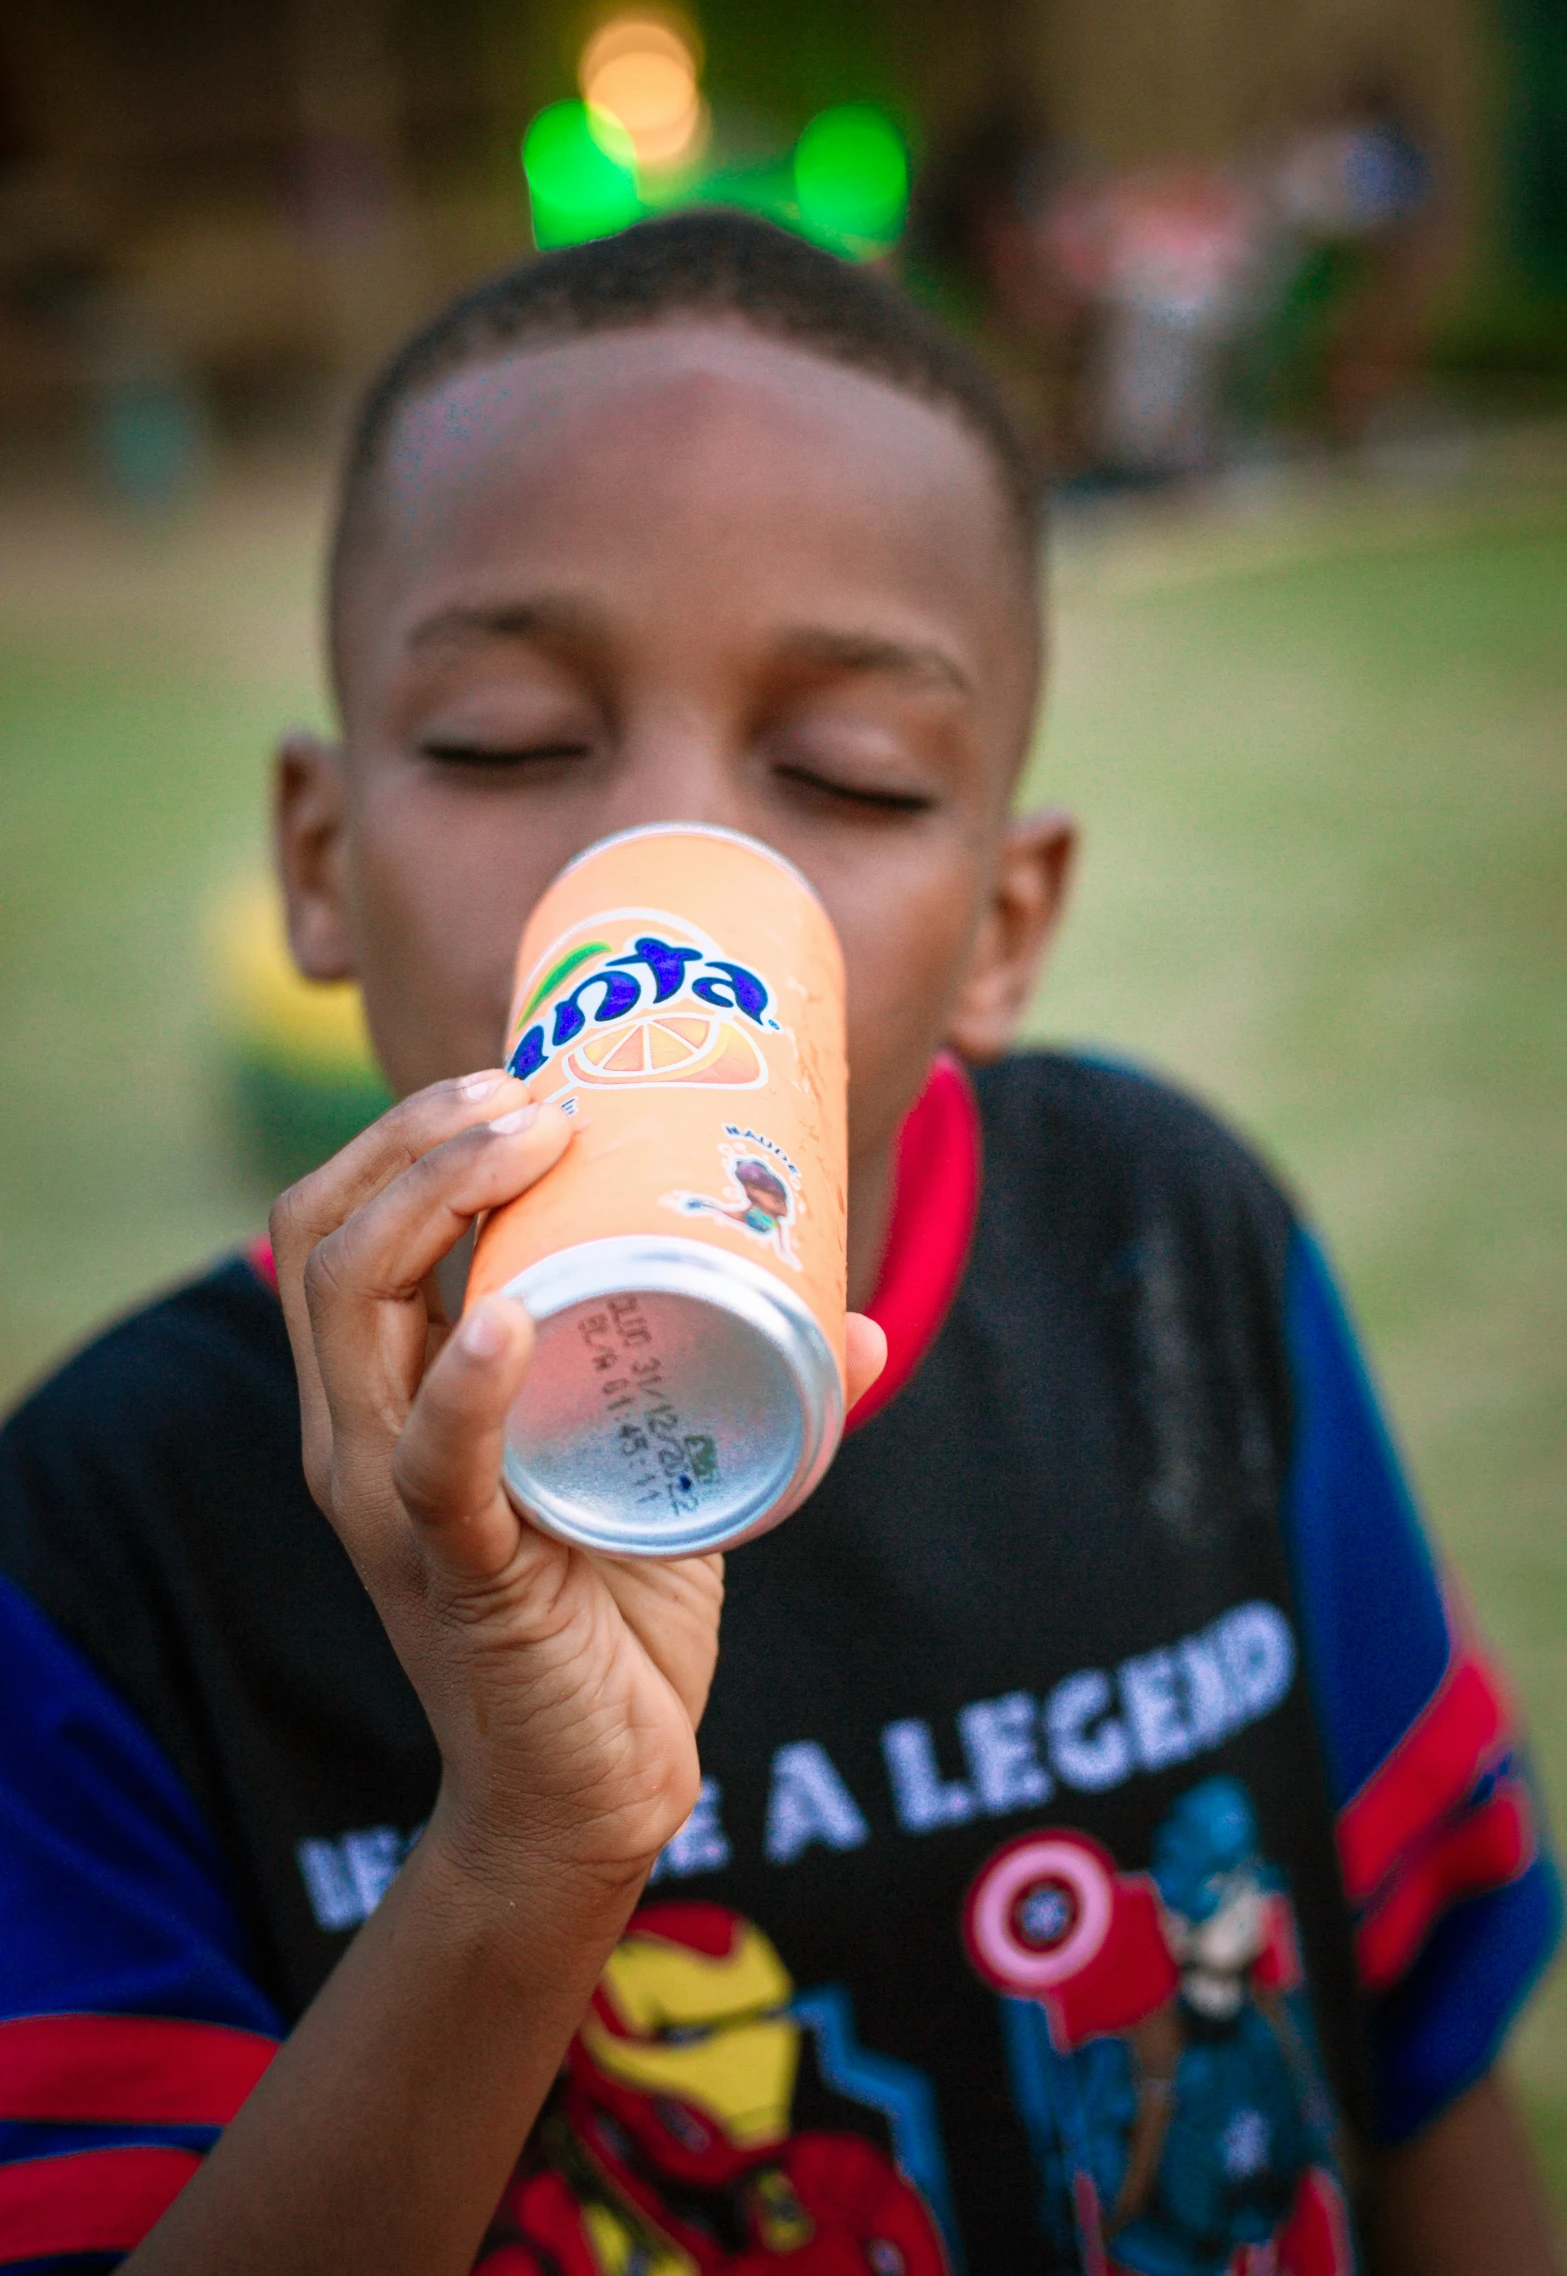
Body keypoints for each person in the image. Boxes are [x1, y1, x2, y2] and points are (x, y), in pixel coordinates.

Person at [0, 212, 1557, 2276]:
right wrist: (524, 1857)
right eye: (502, 741)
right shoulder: (107, 1536)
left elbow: (1419, 2057)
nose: (670, 863)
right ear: (319, 860)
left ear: (1003, 924)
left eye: (848, 771)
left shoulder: (1175, 1257)